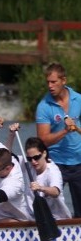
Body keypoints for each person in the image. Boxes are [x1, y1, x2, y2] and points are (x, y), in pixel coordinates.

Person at [35, 62, 81, 217]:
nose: (50, 86)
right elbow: (43, 141)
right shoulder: (44, 106)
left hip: (79, 162)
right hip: (56, 164)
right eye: (48, 82)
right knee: (51, 210)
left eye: (54, 82)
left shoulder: (78, 99)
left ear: (64, 80)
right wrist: (65, 131)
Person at [6, 127, 71, 220]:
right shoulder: (27, 164)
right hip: (34, 218)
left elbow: (55, 192)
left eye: (36, 157)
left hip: (57, 219)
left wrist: (41, 188)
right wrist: (11, 135)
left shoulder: (53, 171)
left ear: (44, 153)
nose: (33, 162)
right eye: (29, 158)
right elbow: (6, 157)